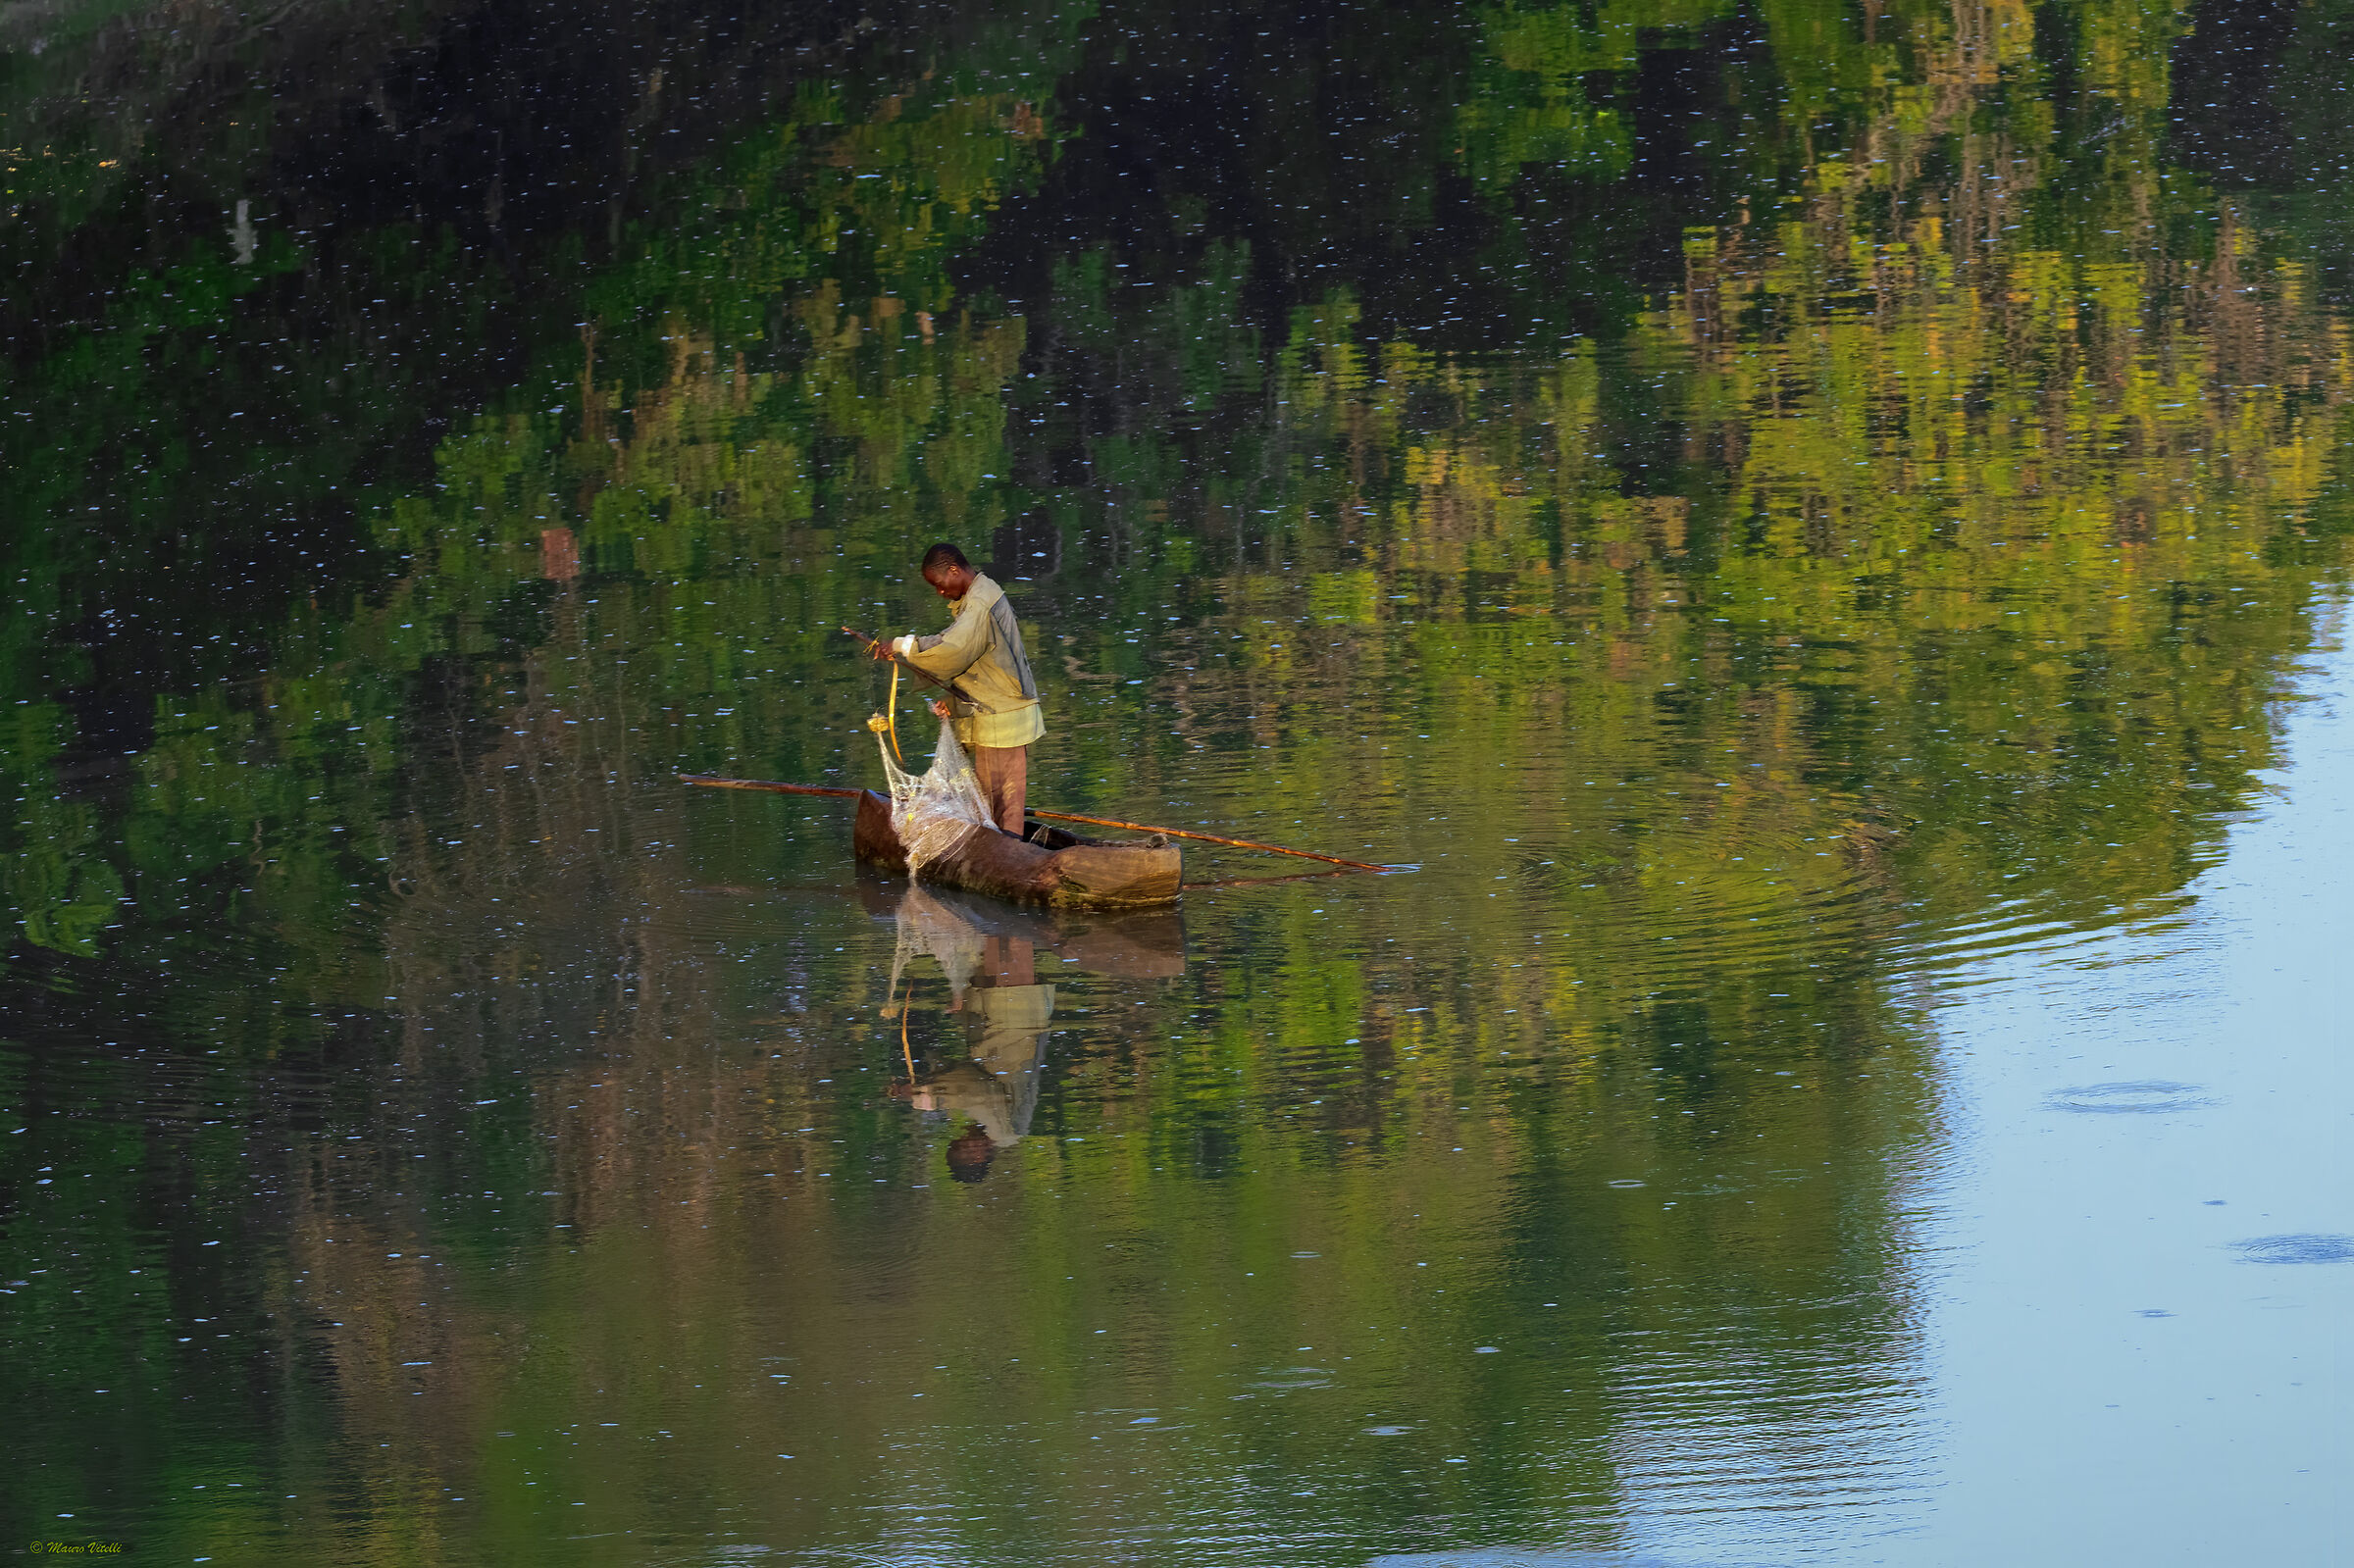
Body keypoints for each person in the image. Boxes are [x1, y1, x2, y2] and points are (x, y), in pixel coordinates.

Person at [875, 542, 1045, 836]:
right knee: (994, 803)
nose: (940, 593)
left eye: (940, 585)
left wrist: (904, 645)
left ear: (954, 570)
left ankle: (1008, 860)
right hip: (998, 715)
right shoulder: (978, 597)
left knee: (1001, 805)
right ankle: (1006, 854)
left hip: (1002, 718)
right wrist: (952, 704)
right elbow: (980, 665)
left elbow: (955, 648)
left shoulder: (981, 601)